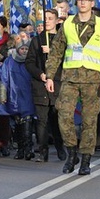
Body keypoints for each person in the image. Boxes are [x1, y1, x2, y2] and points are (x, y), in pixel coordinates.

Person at [45, 0, 100, 176]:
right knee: (64, 116)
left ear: (92, 3)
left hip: (93, 81)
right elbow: (56, 52)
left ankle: (86, 159)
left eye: (87, 0)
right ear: (76, 3)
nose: (83, 3)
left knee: (89, 121)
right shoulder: (68, 24)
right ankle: (71, 153)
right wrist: (50, 76)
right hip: (70, 79)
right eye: (80, 0)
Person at [25, 8, 66, 162]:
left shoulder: (62, 40)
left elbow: (68, 61)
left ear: (57, 21)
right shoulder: (37, 40)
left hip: (57, 85)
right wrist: (40, 74)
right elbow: (29, 62)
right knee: (41, 121)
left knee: (57, 119)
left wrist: (53, 51)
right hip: (40, 86)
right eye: (45, 18)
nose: (47, 21)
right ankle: (43, 151)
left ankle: (61, 147)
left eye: (50, 18)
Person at [0, 38, 36, 159]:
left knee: (27, 122)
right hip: (14, 96)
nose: (24, 51)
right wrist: (2, 94)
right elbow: (4, 78)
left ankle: (28, 149)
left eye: (26, 49)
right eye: (22, 49)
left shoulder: (31, 61)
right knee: (17, 123)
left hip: (28, 96)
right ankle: (21, 149)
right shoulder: (10, 61)